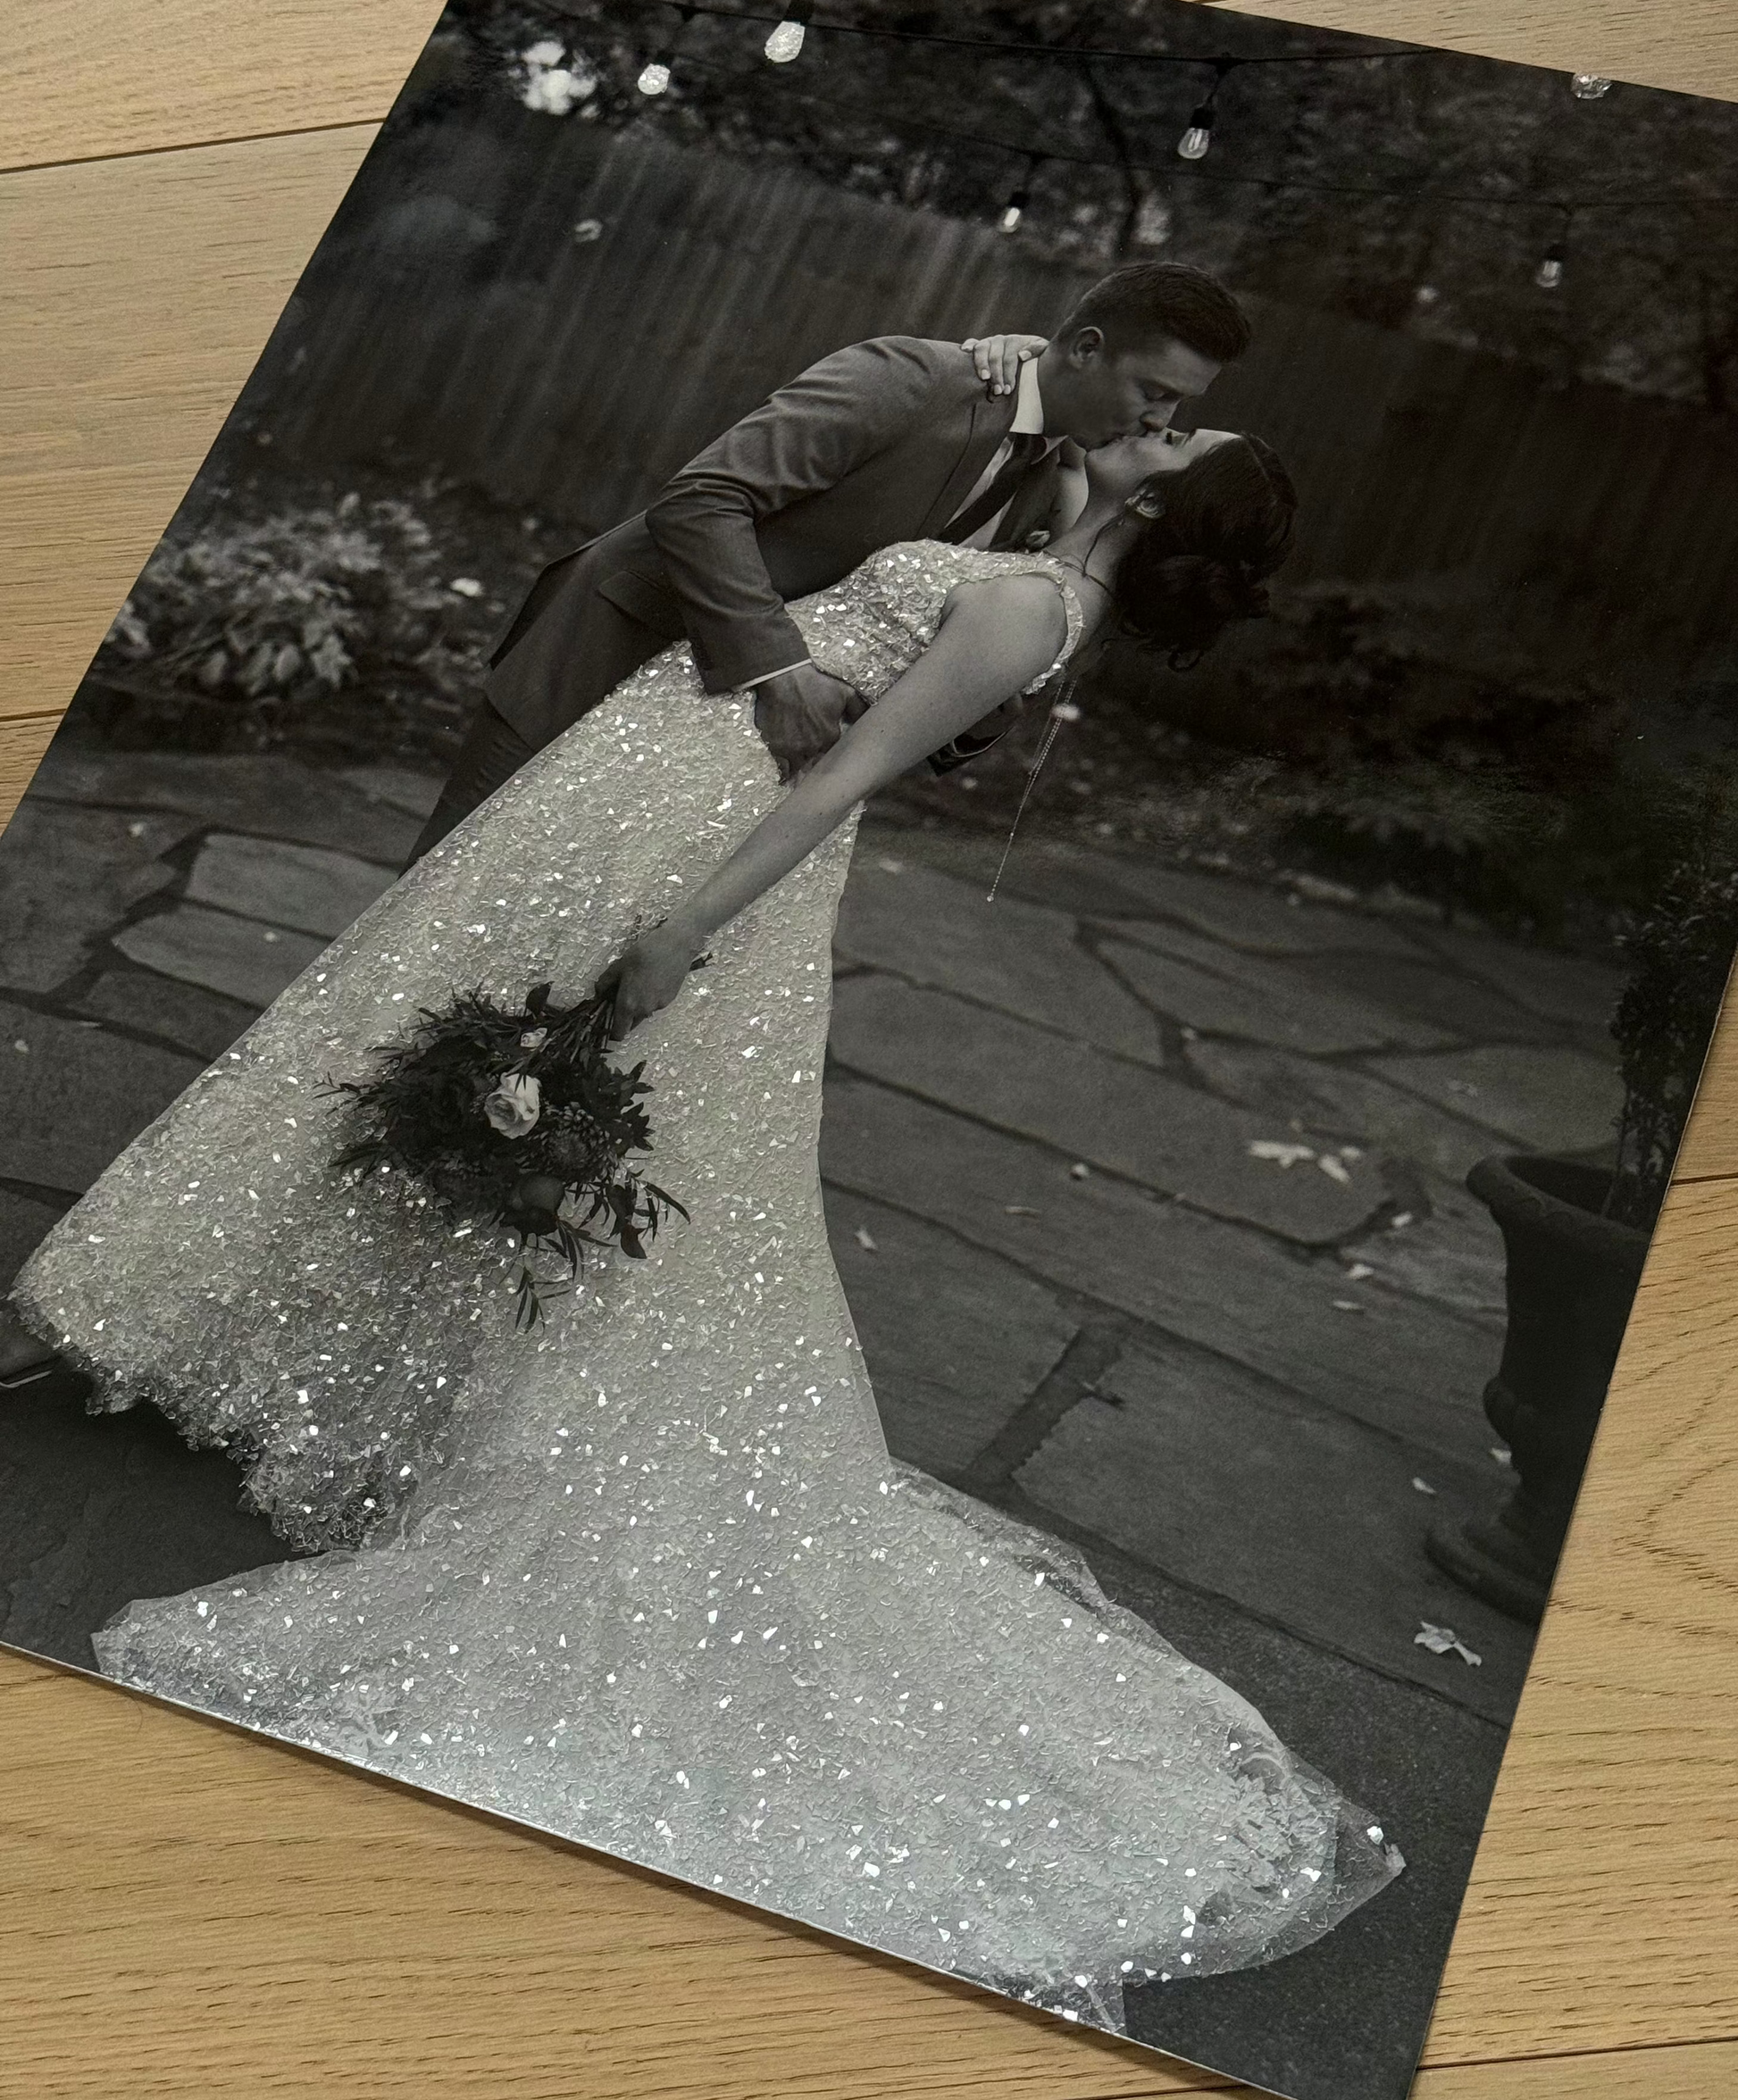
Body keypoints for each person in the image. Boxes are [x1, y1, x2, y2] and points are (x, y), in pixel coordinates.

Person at [8, 413, 1402, 2036]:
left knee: (574, 1154)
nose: (1146, 421)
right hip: (646, 782)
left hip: (709, 844)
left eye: (1175, 431)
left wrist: (682, 925)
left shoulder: (1030, 604)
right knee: (415, 1048)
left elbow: (852, 768)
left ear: (1163, 498)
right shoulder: (1026, 548)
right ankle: (264, 1345)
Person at [406, 261, 1251, 859]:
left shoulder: (1057, 486)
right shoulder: (909, 379)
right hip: (600, 656)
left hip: (700, 754)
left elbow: (962, 700)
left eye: (1179, 406)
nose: (1158, 421)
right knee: (428, 920)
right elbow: (703, 500)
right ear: (1090, 348)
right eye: (1155, 392)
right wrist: (778, 673)